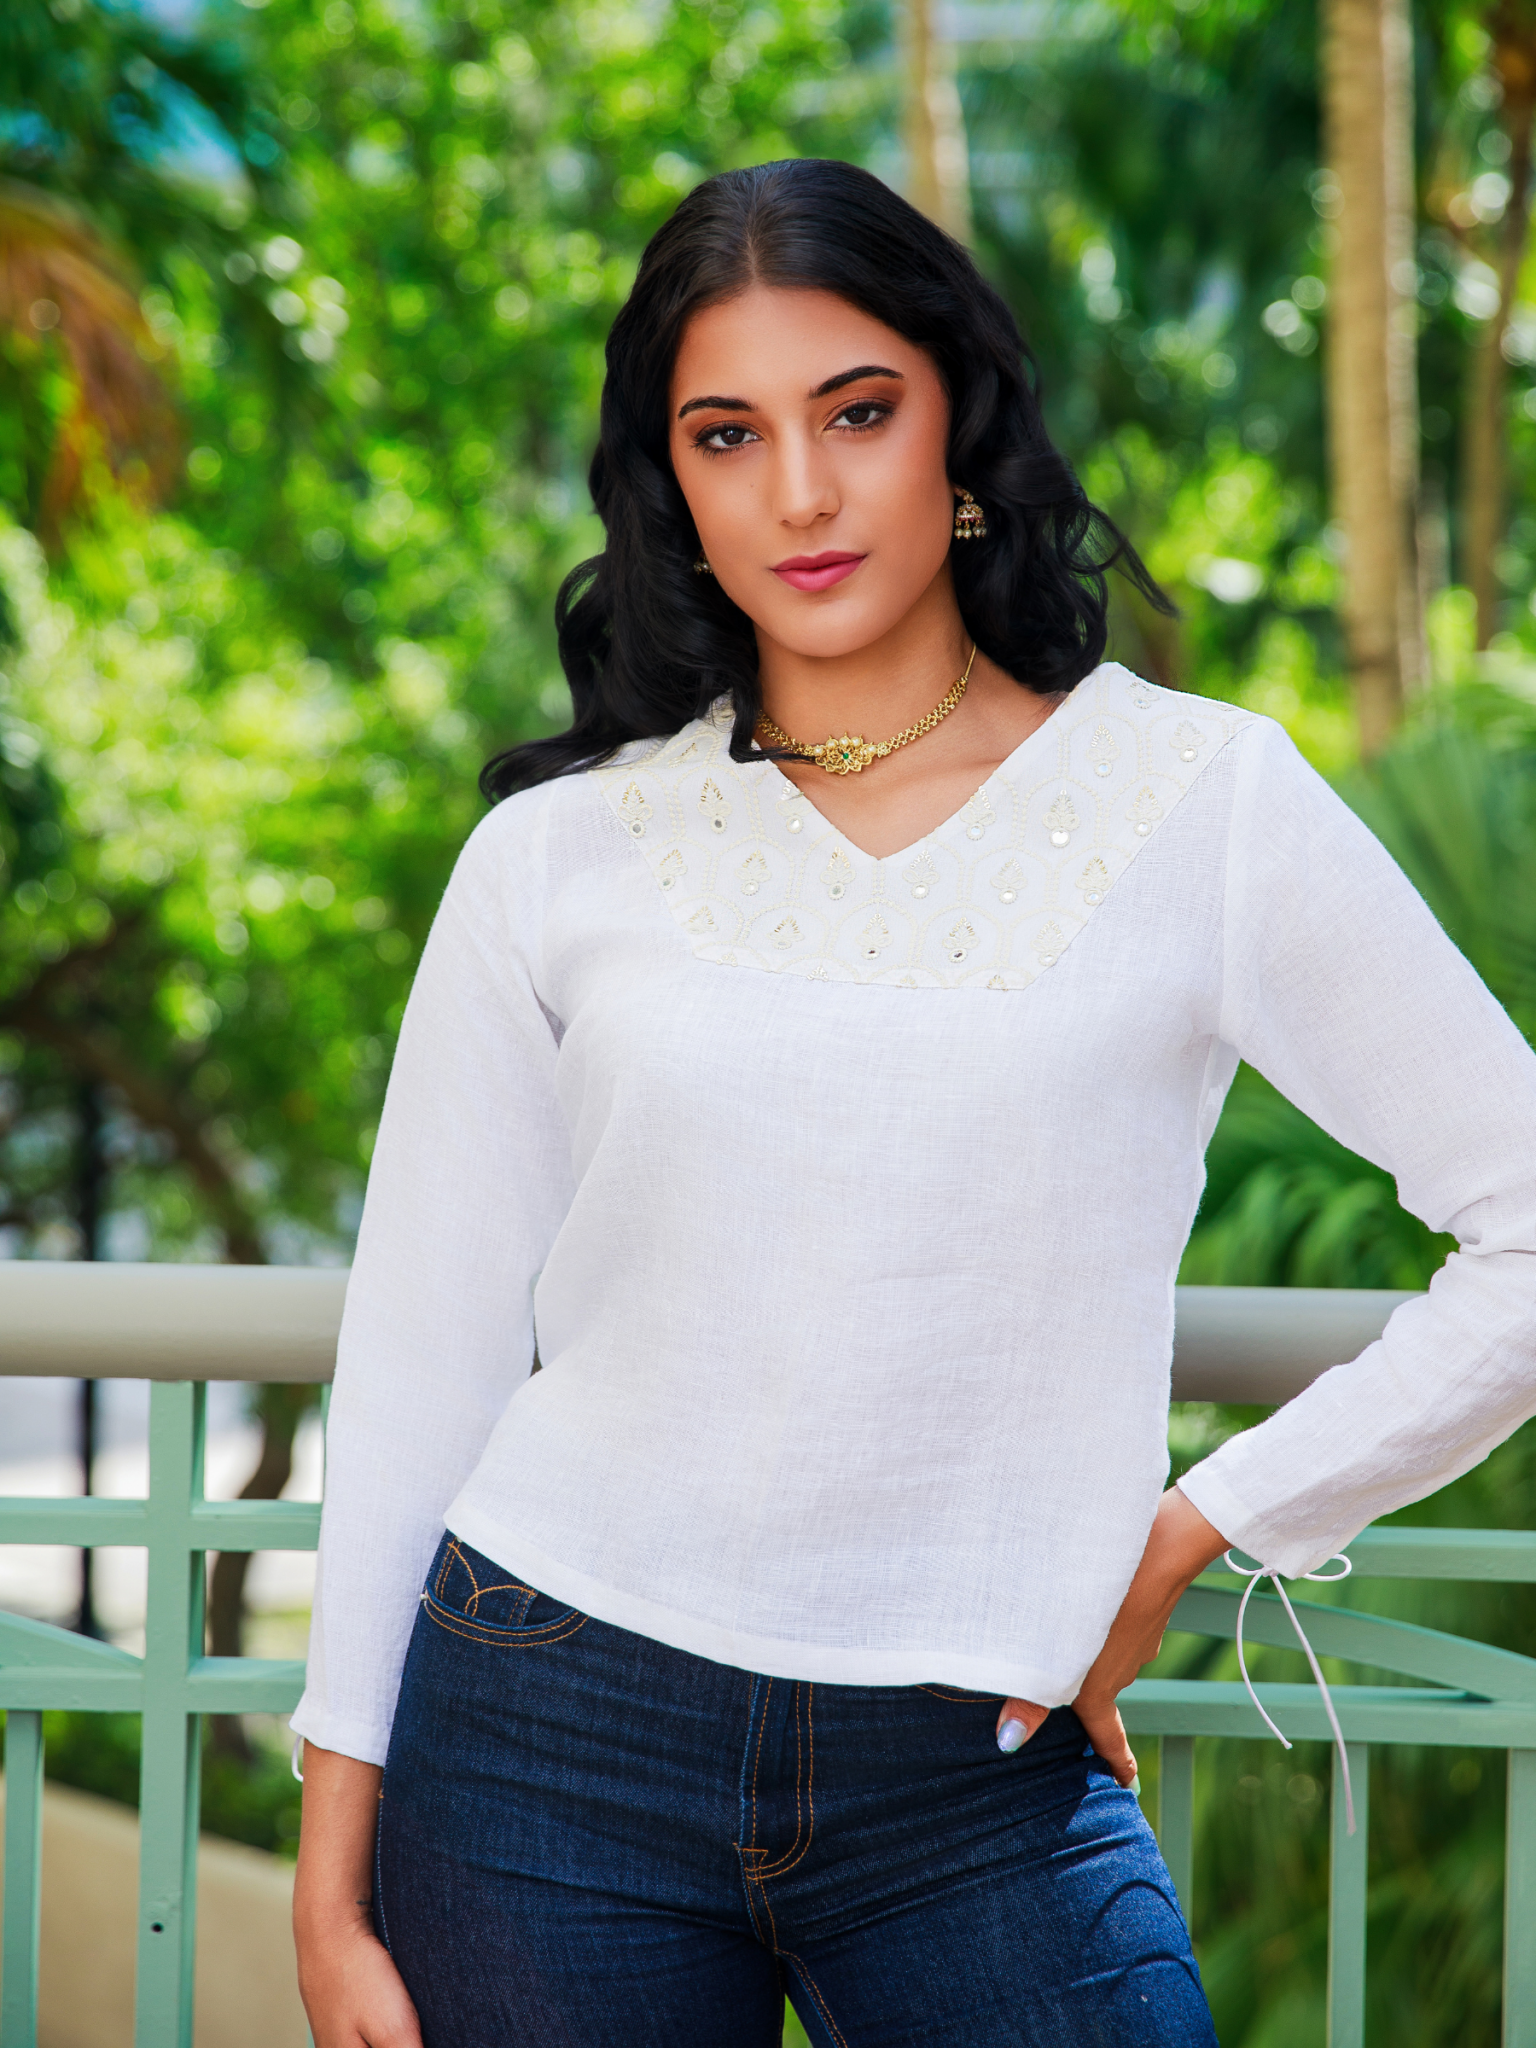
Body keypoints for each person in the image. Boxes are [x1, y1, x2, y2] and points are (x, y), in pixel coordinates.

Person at [290, 158, 1536, 2047]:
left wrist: (1206, 1524)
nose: (800, 491)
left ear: (958, 425)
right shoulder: (560, 855)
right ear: (674, 491)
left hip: (986, 1768)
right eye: (728, 436)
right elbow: (420, 1363)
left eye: (857, 412)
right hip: (545, 1728)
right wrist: (330, 1880)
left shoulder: (1199, 806)